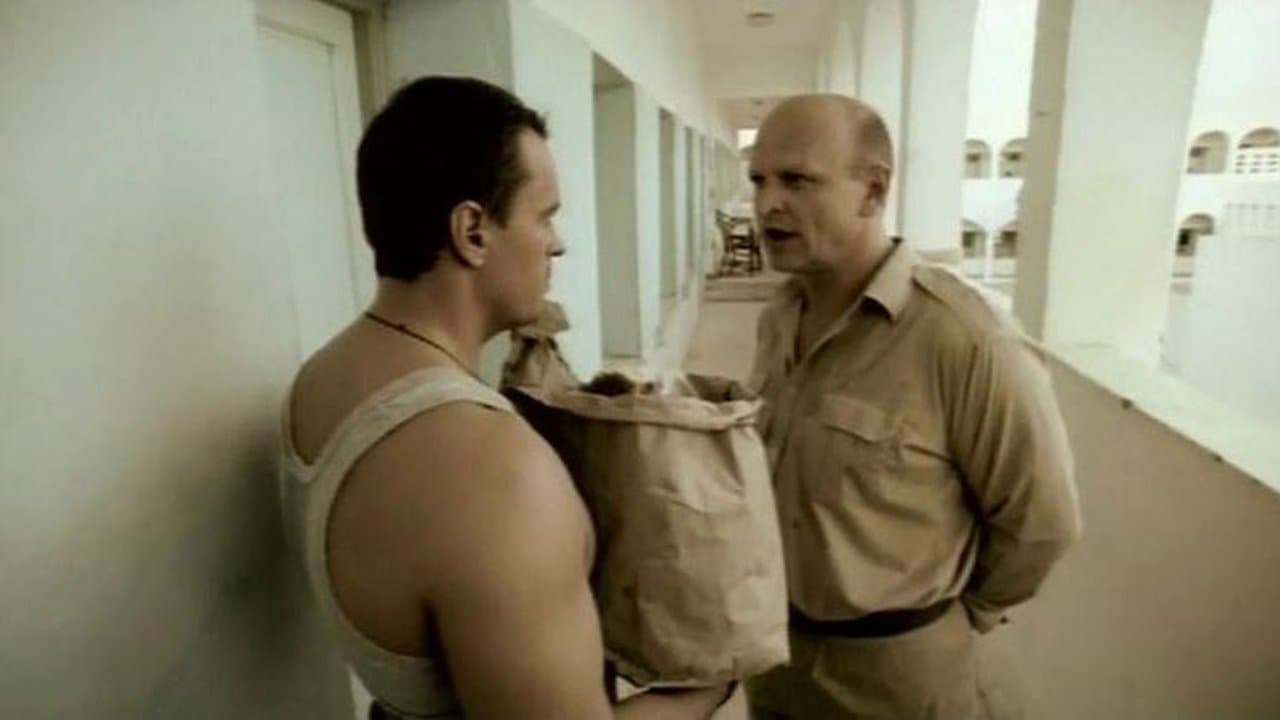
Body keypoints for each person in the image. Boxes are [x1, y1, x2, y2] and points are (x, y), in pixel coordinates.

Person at [279, 76, 730, 719]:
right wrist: (710, 681)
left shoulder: (321, 377)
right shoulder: (495, 471)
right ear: (472, 231)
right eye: (544, 216)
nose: (558, 242)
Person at [742, 94, 1082, 719]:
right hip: (777, 657)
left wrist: (953, 617)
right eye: (758, 180)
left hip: (898, 677)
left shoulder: (966, 340)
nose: (766, 205)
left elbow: (1043, 523)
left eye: (796, 180)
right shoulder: (779, 316)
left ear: (872, 191)